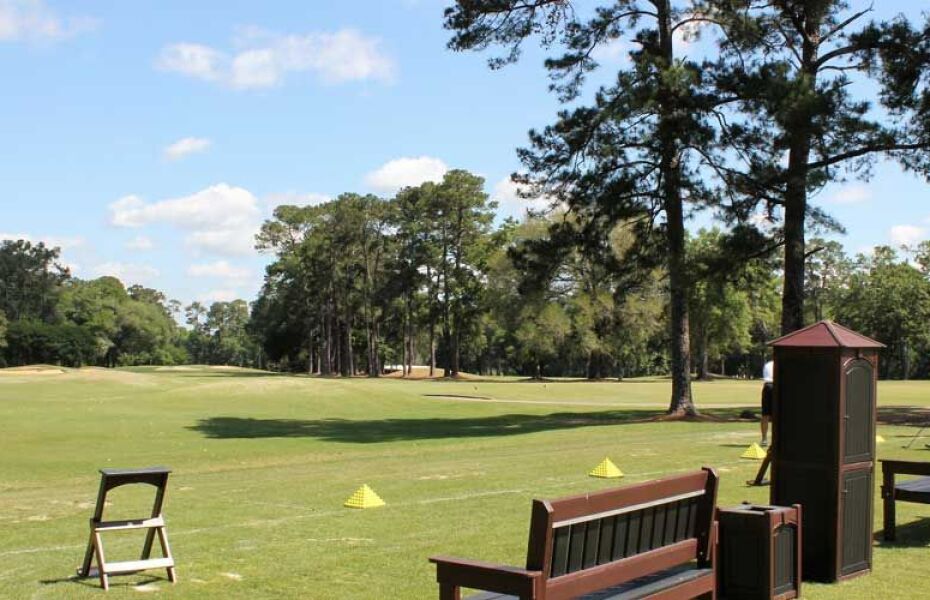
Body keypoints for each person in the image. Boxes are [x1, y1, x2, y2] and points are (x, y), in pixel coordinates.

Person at [760, 359, 774, 447]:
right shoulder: (781, 363)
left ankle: (764, 439)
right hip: (775, 385)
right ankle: (775, 438)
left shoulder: (767, 364)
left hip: (767, 386)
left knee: (765, 414)